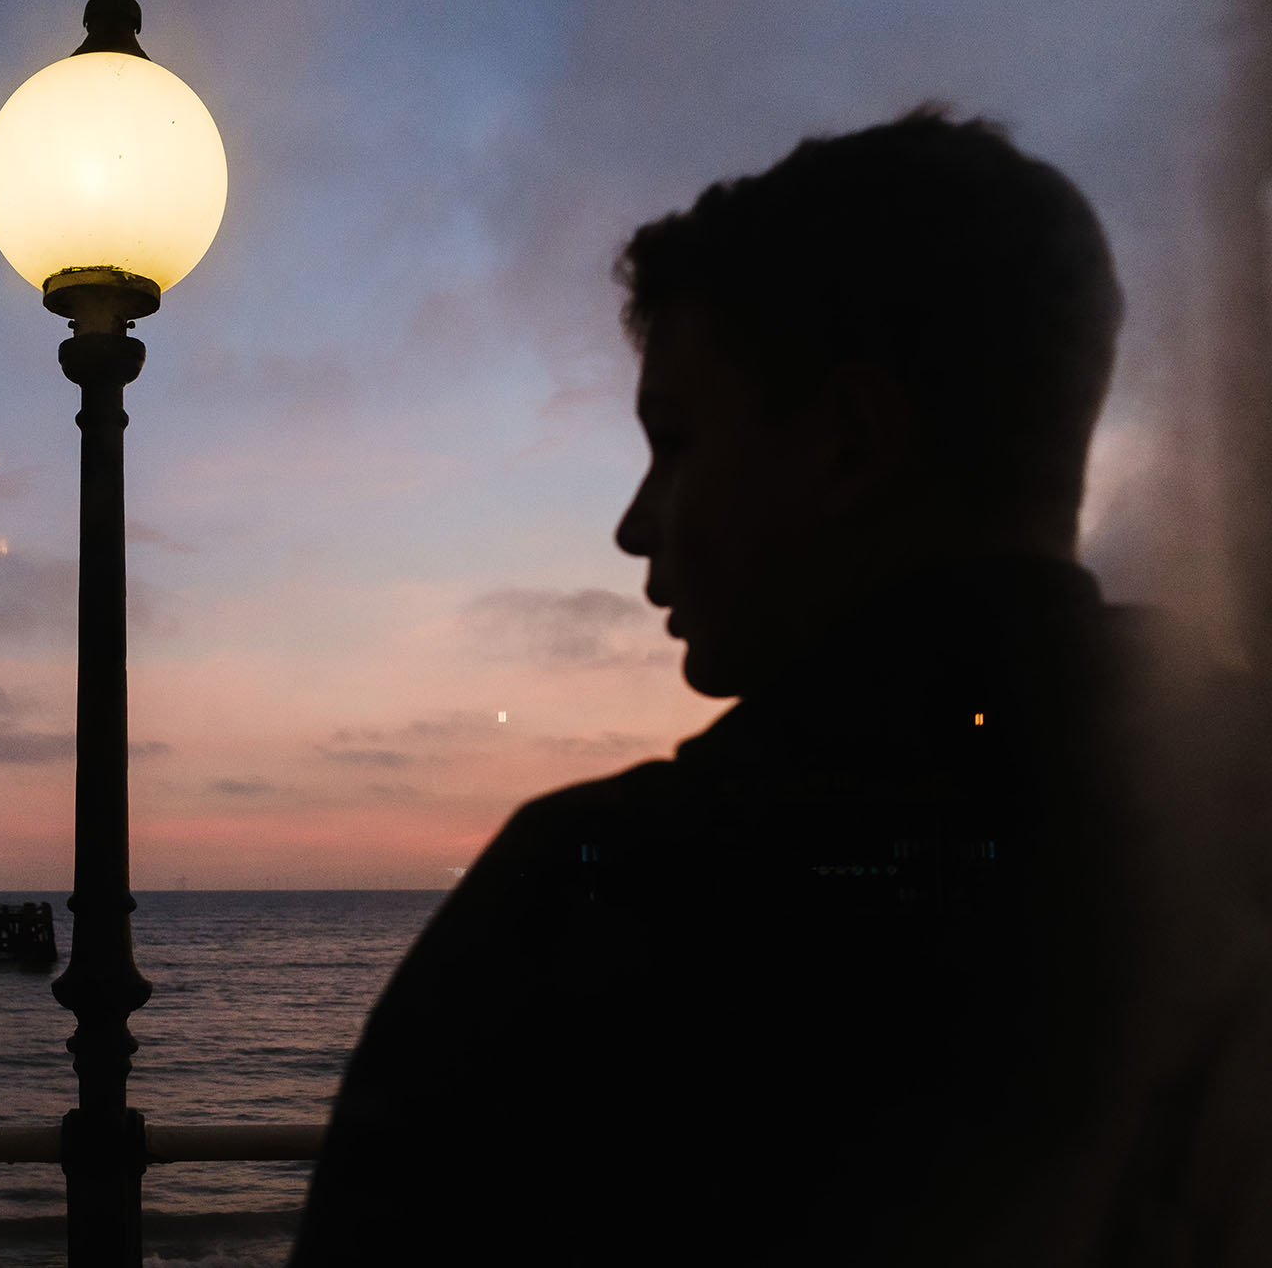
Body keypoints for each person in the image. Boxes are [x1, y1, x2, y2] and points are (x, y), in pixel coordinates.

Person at [290, 109, 1272, 1265]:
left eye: (677, 441)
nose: (632, 525)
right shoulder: (1223, 820)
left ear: (848, 442)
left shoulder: (596, 905)